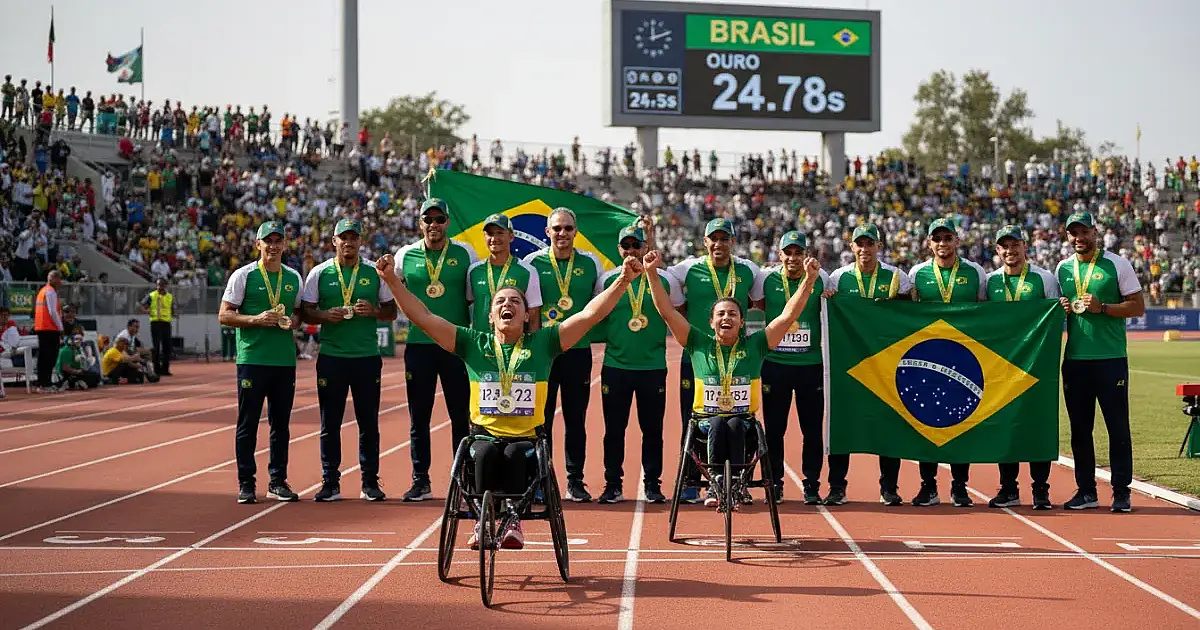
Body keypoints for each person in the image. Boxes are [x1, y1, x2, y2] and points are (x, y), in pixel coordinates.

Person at [374, 250, 642, 549]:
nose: (507, 305)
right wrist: (392, 282)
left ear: (527, 314)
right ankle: (482, 520)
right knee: (486, 452)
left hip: (526, 439)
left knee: (515, 453)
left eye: (515, 301)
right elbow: (423, 317)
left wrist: (623, 280)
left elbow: (589, 315)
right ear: (490, 315)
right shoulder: (473, 343)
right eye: (500, 301)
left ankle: (513, 520)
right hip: (483, 436)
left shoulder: (544, 343)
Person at [647, 248, 819, 508]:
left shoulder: (756, 345)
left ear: (742, 322)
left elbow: (788, 316)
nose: (726, 318)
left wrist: (808, 281)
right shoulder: (696, 343)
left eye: (732, 314)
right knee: (718, 424)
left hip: (744, 422)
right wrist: (651, 273)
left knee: (736, 425)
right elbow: (667, 312)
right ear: (711, 322)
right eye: (721, 314)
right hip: (705, 422)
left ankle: (737, 482)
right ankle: (716, 484)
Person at [300, 218, 399, 502]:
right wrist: (324, 316)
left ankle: (370, 482)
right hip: (332, 357)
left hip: (367, 358)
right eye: (343, 237)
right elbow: (305, 312)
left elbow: (391, 312)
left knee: (368, 422)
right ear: (334, 241)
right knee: (329, 422)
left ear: (360, 241)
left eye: (354, 237)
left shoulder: (373, 272)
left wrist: (373, 311)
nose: (349, 242)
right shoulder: (319, 273)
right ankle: (330, 482)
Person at [666, 218, 764, 503]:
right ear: (705, 242)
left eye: (725, 239)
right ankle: (692, 482)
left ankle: (738, 482)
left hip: (737, 359)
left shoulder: (749, 270)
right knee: (695, 420)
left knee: (738, 419)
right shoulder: (686, 269)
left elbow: (763, 300)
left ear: (732, 242)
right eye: (714, 239)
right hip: (699, 357)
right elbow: (671, 298)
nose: (719, 244)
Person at [1055, 211, 1144, 512]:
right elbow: (1056, 312)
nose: (1079, 238)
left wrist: (1103, 307)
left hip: (1110, 359)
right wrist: (1062, 309)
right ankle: (1086, 491)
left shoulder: (1117, 264)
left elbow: (1138, 307)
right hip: (1075, 360)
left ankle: (1121, 491)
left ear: (1095, 232)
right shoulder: (1062, 269)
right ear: (1067, 236)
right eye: (1073, 233)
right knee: (1080, 429)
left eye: (1084, 232)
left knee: (1117, 426)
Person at [392, 198, 477, 502]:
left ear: (447, 222)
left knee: (461, 417)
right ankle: (420, 480)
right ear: (420, 223)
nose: (434, 225)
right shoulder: (405, 255)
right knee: (419, 417)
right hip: (418, 346)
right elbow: (393, 291)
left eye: (439, 219)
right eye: (428, 220)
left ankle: (464, 482)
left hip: (455, 346)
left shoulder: (466, 254)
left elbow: (471, 299)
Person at [219, 221, 305, 504]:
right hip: (252, 360)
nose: (273, 246)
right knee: (248, 423)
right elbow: (224, 315)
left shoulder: (293, 277)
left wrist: (294, 322)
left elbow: (299, 315)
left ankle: (277, 481)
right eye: (267, 241)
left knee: (281, 425)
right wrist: (255, 320)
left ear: (284, 244)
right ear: (258, 244)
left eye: (278, 240)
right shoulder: (243, 276)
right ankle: (246, 483)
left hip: (283, 362)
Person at [596, 225, 683, 504]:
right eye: (626, 246)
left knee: (653, 430)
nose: (631, 251)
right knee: (613, 430)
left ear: (646, 247)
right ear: (619, 249)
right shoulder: (607, 279)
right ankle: (612, 484)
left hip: (652, 367)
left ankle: (652, 484)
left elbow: (677, 312)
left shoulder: (665, 280)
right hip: (616, 365)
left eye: (637, 245)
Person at [522, 207, 604, 502]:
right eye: (557, 228)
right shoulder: (531, 264)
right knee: (539, 420)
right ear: (547, 232)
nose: (562, 234)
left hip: (577, 352)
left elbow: (600, 305)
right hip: (543, 354)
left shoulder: (591, 264)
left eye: (568, 228)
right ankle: (539, 480)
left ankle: (575, 480)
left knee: (575, 420)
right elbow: (529, 312)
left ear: (575, 232)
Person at [827, 223, 912, 506]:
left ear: (879, 246)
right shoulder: (838, 279)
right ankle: (837, 487)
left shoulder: (897, 277)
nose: (865, 249)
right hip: (849, 364)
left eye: (870, 243)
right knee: (842, 424)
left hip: (888, 364)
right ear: (851, 247)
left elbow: (914, 307)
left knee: (889, 425)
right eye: (859, 244)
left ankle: (889, 488)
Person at [753, 231, 840, 505]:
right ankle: (774, 482)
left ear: (805, 255)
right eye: (787, 253)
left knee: (811, 430)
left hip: (810, 366)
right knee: (774, 429)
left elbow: (830, 306)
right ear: (780, 255)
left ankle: (811, 484)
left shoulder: (820, 276)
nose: (792, 258)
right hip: (775, 365)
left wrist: (831, 294)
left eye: (798, 253)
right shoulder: (765, 279)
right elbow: (756, 304)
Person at [907, 218, 988, 508]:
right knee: (926, 422)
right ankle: (928, 486)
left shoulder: (976, 273)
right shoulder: (916, 274)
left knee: (961, 423)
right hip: (926, 359)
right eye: (937, 238)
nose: (942, 243)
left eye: (947, 237)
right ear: (929, 243)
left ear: (957, 240)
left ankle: (959, 487)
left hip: (964, 360)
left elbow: (984, 313)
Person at [985, 225, 1060, 510]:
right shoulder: (990, 282)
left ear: (1024, 246)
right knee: (1007, 427)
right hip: (1001, 367)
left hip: (1037, 366)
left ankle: (1041, 490)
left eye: (1014, 244)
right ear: (997, 250)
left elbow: (1055, 318)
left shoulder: (1044, 279)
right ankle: (1008, 489)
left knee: (1037, 426)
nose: (1010, 250)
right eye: (1004, 246)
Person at [466, 214, 542, 332]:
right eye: (490, 234)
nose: (494, 238)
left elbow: (533, 315)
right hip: (481, 343)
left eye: (500, 233)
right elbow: (468, 302)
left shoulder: (527, 271)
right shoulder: (474, 270)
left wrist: (534, 346)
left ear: (511, 236)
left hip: (515, 344)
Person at [33, 270, 65, 393]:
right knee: (50, 356)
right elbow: (52, 312)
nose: (60, 282)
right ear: (52, 279)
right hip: (50, 328)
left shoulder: (42, 291)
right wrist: (60, 327)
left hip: (42, 327)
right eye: (59, 279)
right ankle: (45, 383)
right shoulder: (50, 292)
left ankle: (42, 382)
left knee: (44, 356)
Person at [140, 277, 175, 376]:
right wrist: (148, 311)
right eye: (158, 285)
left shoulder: (169, 296)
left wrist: (174, 313)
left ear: (165, 286)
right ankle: (156, 369)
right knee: (156, 347)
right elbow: (142, 306)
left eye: (161, 285)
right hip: (155, 323)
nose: (159, 287)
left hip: (166, 323)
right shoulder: (151, 295)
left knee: (167, 347)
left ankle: (165, 369)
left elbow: (172, 307)